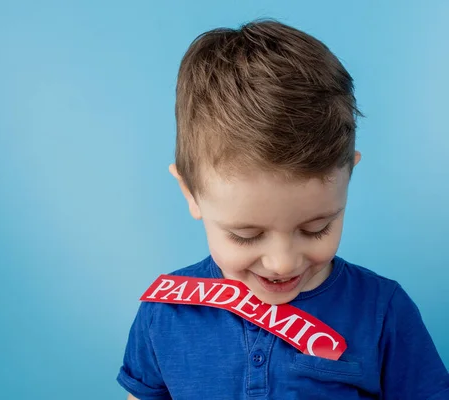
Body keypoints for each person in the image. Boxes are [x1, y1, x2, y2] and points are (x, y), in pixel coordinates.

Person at [116, 19, 449, 399]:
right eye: (247, 235)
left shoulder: (383, 312)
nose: (282, 263)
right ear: (191, 194)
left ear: (348, 179)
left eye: (316, 228)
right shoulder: (164, 315)